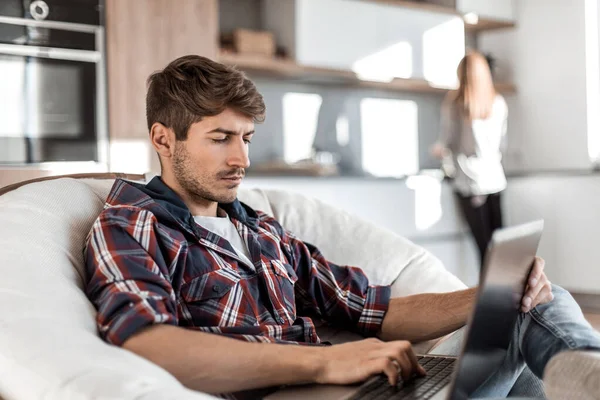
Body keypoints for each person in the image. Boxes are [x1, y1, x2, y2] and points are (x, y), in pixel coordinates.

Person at [84, 55, 600, 398]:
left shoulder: (263, 230)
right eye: (221, 137)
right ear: (163, 138)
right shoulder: (131, 226)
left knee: (538, 302)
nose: (241, 157)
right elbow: (148, 344)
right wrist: (323, 365)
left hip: (353, 387)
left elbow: (372, 309)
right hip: (299, 390)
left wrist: (490, 295)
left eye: (247, 138)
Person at [432, 51, 508, 268]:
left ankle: (489, 301)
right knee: (501, 250)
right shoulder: (499, 102)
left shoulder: (455, 103)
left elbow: (446, 142)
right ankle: (507, 300)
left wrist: (438, 150)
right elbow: (502, 144)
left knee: (485, 251)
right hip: (495, 179)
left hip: (470, 182)